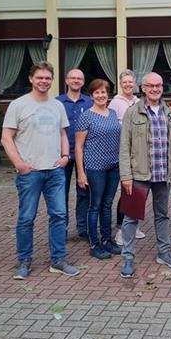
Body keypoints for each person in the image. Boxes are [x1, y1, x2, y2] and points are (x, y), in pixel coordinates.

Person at [1, 61, 79, 279]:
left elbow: (64, 133)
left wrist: (65, 157)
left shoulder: (57, 105)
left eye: (47, 78)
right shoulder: (18, 105)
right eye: (40, 78)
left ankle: (58, 260)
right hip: (30, 173)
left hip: (55, 171)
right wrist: (19, 164)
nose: (44, 81)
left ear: (52, 80)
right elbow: (6, 138)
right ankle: (24, 261)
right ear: (31, 79)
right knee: (26, 218)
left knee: (59, 215)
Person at [118, 72, 171, 279]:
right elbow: (124, 147)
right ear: (143, 88)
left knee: (162, 215)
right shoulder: (132, 112)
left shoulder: (169, 112)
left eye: (159, 85)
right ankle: (127, 257)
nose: (155, 89)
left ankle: (164, 253)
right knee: (131, 217)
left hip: (162, 175)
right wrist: (126, 175)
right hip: (138, 175)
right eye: (151, 86)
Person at [75, 79, 122, 260]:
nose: (101, 95)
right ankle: (94, 244)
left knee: (107, 204)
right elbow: (78, 147)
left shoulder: (112, 113)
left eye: (104, 92)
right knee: (94, 205)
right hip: (95, 168)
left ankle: (107, 240)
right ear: (91, 95)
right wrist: (81, 172)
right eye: (97, 93)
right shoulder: (86, 116)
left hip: (113, 167)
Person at [107, 69, 145, 245]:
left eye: (131, 82)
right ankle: (121, 229)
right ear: (120, 83)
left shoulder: (139, 102)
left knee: (138, 190)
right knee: (125, 190)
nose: (128, 85)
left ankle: (134, 225)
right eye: (125, 82)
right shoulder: (115, 103)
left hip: (138, 153)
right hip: (122, 152)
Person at [57, 68, 92, 240]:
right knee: (60, 192)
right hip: (63, 155)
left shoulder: (89, 102)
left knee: (84, 191)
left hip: (85, 154)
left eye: (79, 78)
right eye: (73, 78)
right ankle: (61, 228)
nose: (76, 81)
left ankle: (83, 228)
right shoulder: (57, 103)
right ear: (66, 80)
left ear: (83, 82)